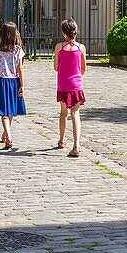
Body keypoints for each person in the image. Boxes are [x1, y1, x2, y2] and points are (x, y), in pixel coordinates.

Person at [0, 21, 26, 149]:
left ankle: (7, 136)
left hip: (1, 80)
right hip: (14, 81)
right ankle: (6, 133)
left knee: (4, 111)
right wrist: (22, 84)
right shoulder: (18, 50)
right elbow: (20, 68)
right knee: (10, 109)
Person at [53, 18, 86, 158]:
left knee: (63, 113)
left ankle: (61, 140)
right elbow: (83, 68)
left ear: (63, 32)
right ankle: (76, 145)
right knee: (75, 114)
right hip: (77, 85)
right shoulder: (81, 47)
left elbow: (56, 67)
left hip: (63, 85)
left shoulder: (59, 47)